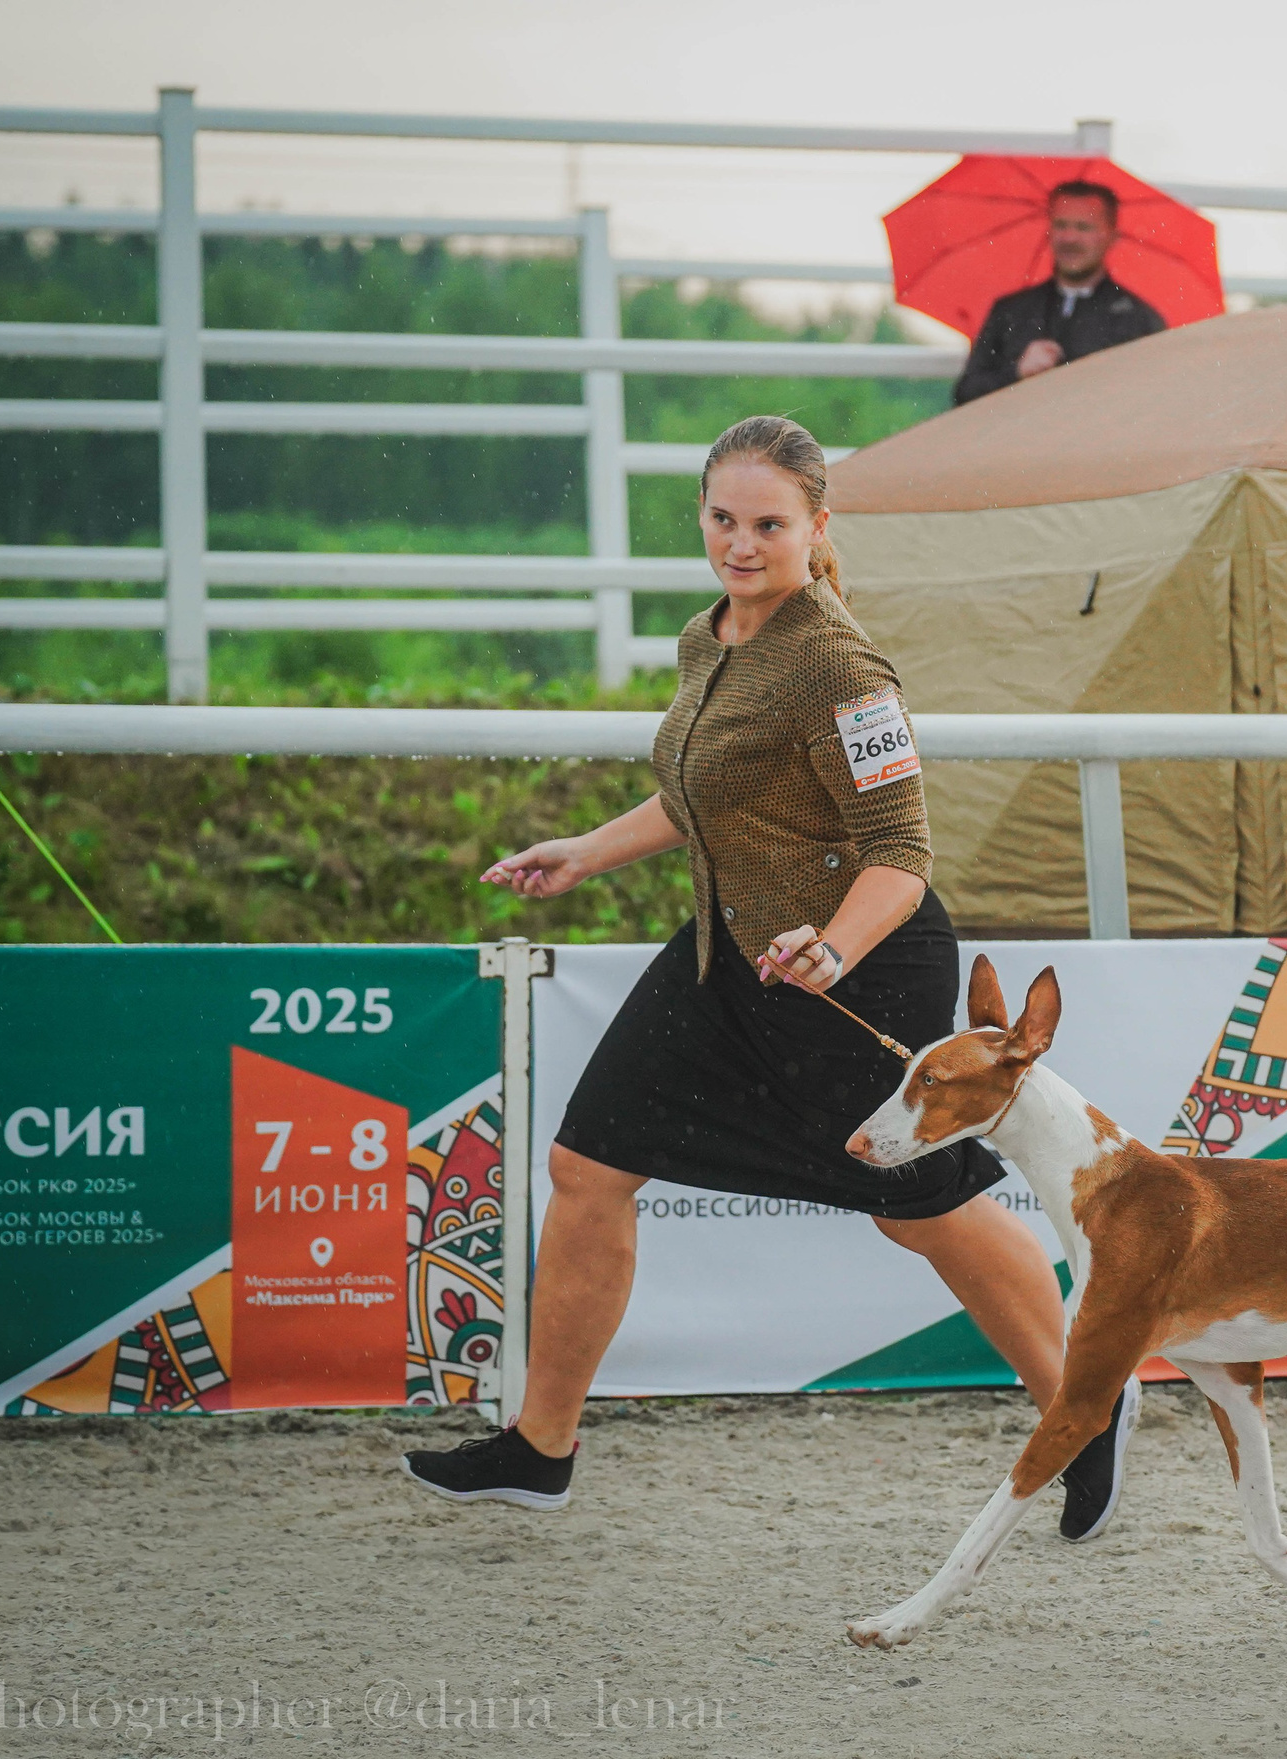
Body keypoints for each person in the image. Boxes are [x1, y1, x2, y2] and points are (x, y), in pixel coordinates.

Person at [400, 415, 1139, 1541]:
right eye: (722, 519)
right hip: (730, 955)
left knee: (921, 1205)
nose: (740, 544)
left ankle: (1082, 1407)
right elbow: (704, 796)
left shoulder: (840, 664)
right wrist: (585, 850)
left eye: (768, 524)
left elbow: (902, 850)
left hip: (859, 972)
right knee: (586, 1165)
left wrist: (833, 947)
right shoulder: (712, 636)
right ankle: (540, 1447)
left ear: (817, 527)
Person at [951, 180, 1165, 405]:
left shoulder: (1139, 321)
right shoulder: (1011, 311)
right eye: (1061, 225)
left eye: (1084, 227)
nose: (1069, 238)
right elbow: (965, 393)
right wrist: (1017, 372)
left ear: (1112, 237)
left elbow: (1153, 404)